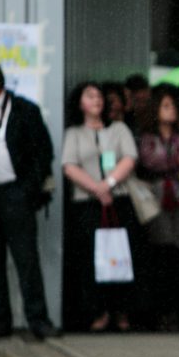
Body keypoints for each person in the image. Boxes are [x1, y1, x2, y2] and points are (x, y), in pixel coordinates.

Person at [0, 62, 59, 340]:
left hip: (14, 193)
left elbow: (42, 152)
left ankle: (38, 319)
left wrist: (28, 190)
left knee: (26, 259)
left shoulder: (25, 110)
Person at [61, 82, 143, 332]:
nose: (96, 100)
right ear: (80, 103)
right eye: (90, 96)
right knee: (90, 258)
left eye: (99, 96)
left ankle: (122, 311)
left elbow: (129, 158)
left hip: (118, 199)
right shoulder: (74, 133)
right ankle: (98, 311)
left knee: (122, 256)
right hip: (87, 203)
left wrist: (108, 184)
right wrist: (96, 188)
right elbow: (69, 165)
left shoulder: (118, 129)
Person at [137, 84, 179, 332]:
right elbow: (150, 161)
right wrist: (176, 161)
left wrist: (178, 162)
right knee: (160, 255)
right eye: (166, 106)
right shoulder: (148, 137)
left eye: (173, 106)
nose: (171, 111)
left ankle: (178, 312)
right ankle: (159, 312)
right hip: (157, 197)